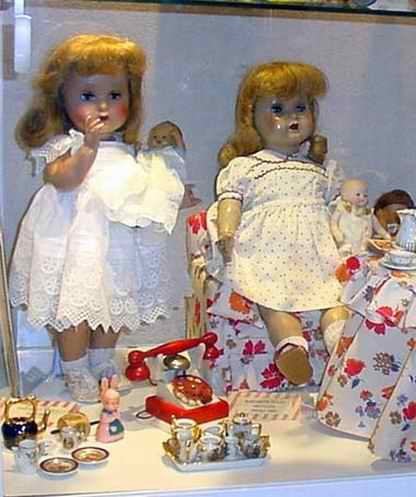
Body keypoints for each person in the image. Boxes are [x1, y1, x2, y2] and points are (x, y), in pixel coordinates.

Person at [9, 34, 186, 402]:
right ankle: (74, 366)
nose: (103, 106)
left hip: (117, 242)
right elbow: (65, 179)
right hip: (76, 239)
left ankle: (102, 358)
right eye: (88, 95)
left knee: (116, 300)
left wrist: (172, 192)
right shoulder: (66, 145)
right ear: (62, 98)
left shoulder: (128, 149)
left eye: (115, 95)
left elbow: (143, 188)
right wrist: (88, 147)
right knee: (75, 303)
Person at [209, 62, 349, 384]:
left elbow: (336, 210)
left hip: (315, 251)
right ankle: (290, 347)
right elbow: (230, 201)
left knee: (333, 296)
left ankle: (340, 345)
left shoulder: (320, 169)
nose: (292, 117)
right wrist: (227, 232)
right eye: (277, 109)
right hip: (268, 251)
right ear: (251, 117)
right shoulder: (246, 167)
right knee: (270, 299)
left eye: (300, 107)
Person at [331, 178, 373, 256]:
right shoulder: (342, 208)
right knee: (345, 256)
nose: (362, 197)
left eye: (365, 195)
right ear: (345, 195)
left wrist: (386, 235)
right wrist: (338, 236)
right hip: (344, 242)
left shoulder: (366, 213)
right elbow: (333, 223)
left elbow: (373, 227)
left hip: (360, 244)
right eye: (358, 194)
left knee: (360, 257)